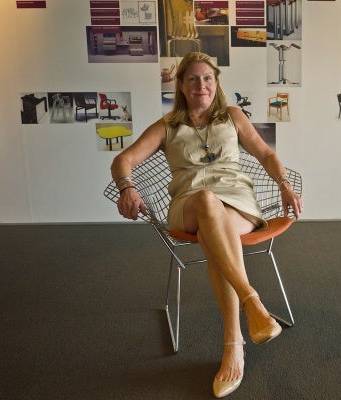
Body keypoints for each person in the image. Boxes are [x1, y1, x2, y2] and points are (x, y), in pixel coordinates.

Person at [111, 52, 303, 398]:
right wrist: (127, 186)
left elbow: (266, 155)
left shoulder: (233, 116)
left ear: (217, 83)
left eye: (208, 79)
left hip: (238, 203)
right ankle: (252, 302)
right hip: (190, 203)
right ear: (181, 86)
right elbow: (123, 160)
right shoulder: (166, 126)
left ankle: (234, 344)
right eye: (193, 79)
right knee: (205, 202)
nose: (202, 85)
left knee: (217, 234)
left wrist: (284, 185)